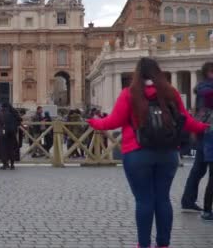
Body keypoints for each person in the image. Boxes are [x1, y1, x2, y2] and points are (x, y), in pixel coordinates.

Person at [87, 57, 208, 248]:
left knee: (144, 200)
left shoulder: (129, 93)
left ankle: (143, 245)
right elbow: (186, 120)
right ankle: (163, 244)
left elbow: (112, 121)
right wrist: (204, 126)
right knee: (163, 198)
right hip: (167, 153)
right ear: (159, 72)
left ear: (137, 74)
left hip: (137, 153)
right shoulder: (170, 92)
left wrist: (94, 122)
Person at [181, 62, 213, 213]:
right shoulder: (207, 89)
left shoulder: (202, 88)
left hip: (203, 131)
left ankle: (188, 200)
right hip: (208, 131)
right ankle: (190, 201)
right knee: (200, 169)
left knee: (198, 169)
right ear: (210, 72)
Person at [0, 103, 21, 170]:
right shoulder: (14, 112)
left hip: (4, 133)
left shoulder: (2, 113)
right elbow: (19, 120)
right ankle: (12, 165)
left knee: (4, 148)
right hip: (12, 133)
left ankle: (5, 164)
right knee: (12, 148)